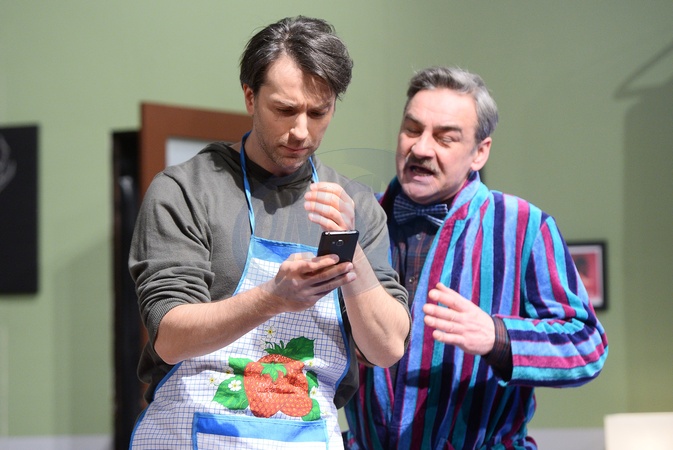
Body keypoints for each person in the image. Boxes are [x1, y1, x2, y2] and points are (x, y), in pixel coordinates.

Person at [128, 16, 410, 449]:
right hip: (190, 434)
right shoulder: (186, 190)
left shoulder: (355, 205)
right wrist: (273, 298)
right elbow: (170, 338)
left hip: (306, 436)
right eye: (285, 110)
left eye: (319, 112)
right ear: (250, 97)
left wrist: (350, 252)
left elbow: (387, 347)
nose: (301, 131)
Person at [344, 66, 608, 449]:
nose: (421, 148)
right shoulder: (358, 221)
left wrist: (497, 337)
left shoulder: (524, 227)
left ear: (480, 152)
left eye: (445, 138)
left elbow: (587, 346)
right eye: (412, 130)